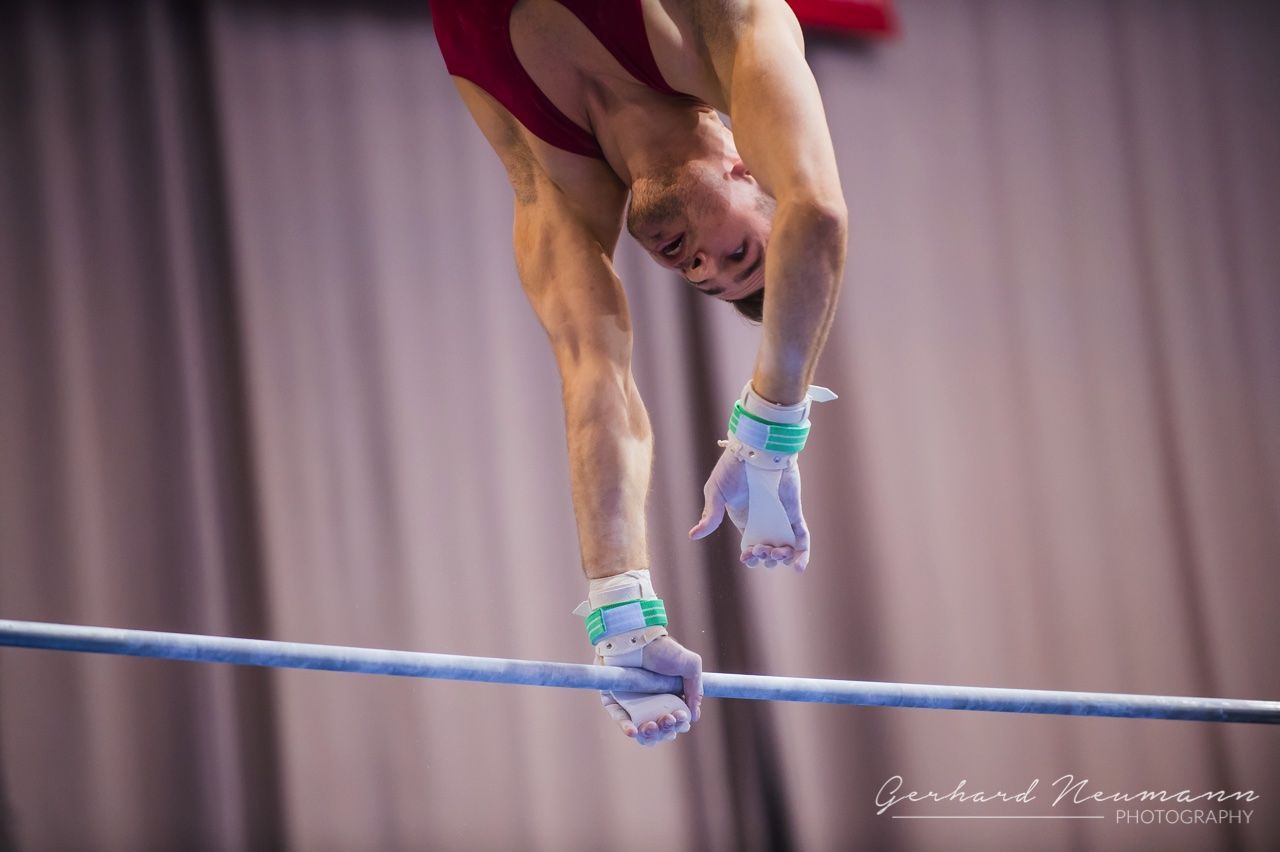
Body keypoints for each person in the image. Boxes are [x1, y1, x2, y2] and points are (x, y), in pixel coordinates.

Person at [430, 0, 846, 747]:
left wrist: (621, 615)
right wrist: (770, 437)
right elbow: (815, 212)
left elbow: (596, 381)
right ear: (749, 164)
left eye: (703, 278)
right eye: (739, 251)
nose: (700, 265)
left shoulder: (553, 189)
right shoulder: (731, 30)